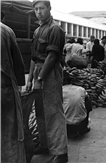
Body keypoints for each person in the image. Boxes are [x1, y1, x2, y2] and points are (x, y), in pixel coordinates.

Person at [26, 0, 68, 162]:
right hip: (37, 70)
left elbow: (51, 56)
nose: (38, 12)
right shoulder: (37, 30)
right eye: (36, 9)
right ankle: (45, 145)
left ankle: (61, 152)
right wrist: (30, 78)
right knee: (40, 111)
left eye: (41, 8)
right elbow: (33, 57)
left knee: (53, 111)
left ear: (49, 9)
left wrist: (40, 78)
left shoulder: (55, 29)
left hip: (49, 72)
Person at [0, 10, 26, 163]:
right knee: (9, 130)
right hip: (4, 86)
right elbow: (18, 62)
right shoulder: (7, 31)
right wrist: (21, 84)